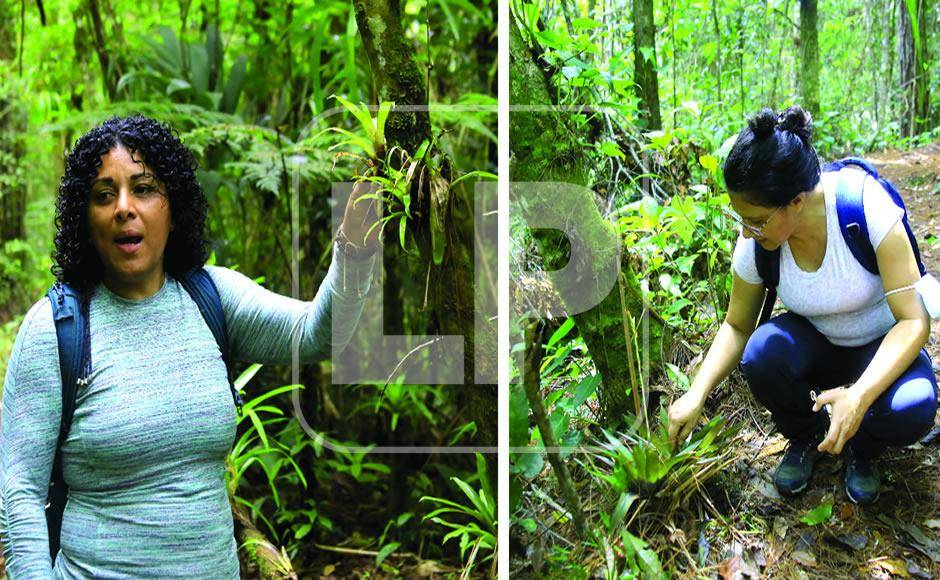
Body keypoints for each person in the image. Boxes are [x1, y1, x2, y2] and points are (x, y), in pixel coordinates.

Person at [0, 115, 379, 576]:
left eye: (143, 189)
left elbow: (320, 334)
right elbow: (19, 493)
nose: (123, 207)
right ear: (86, 216)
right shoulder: (56, 328)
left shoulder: (211, 298)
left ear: (172, 207)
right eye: (104, 195)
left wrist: (356, 242)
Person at [666, 106, 937, 505]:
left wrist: (859, 395)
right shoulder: (757, 244)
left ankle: (862, 446)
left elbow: (914, 321)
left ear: (796, 201)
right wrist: (697, 392)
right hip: (818, 346)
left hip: (881, 348)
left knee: (913, 406)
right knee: (761, 353)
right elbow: (738, 326)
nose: (746, 231)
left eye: (756, 220)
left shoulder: (865, 208)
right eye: (741, 218)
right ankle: (808, 434)